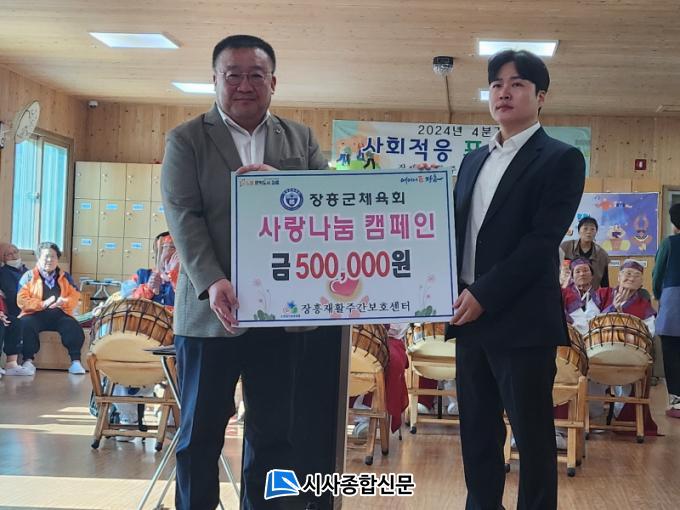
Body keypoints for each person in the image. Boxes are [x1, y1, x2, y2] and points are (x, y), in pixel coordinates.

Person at [161, 34, 338, 510]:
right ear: (215, 79)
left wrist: (280, 185)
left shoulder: (299, 138)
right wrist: (214, 281)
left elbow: (326, 206)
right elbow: (184, 218)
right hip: (209, 314)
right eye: (233, 75)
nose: (244, 85)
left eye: (256, 75)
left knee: (275, 434)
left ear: (273, 82)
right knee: (199, 436)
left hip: (280, 315)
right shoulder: (186, 139)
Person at [448, 50, 585, 510]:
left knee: (533, 437)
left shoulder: (561, 159)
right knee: (477, 433)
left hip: (522, 319)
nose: (504, 92)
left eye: (518, 84)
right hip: (468, 317)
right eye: (497, 84)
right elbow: (457, 232)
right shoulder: (473, 161)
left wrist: (484, 293)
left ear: (540, 96)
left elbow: (541, 241)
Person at [17, 242, 86, 375]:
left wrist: (64, 301)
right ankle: (27, 361)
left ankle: (76, 362)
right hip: (34, 314)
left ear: (57, 259)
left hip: (59, 314)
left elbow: (75, 296)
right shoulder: (28, 276)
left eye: (53, 256)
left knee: (72, 325)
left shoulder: (65, 277)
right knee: (25, 324)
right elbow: (21, 300)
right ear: (38, 258)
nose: (49, 260)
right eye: (46, 256)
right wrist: (42, 304)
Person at [653, 203, 680, 418]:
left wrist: (658, 295)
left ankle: (677, 401)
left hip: (673, 302)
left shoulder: (669, 243)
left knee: (672, 352)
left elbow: (658, 274)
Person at [0, 243, 32, 375]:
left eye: (15, 252)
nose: (14, 256)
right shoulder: (3, 273)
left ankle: (14, 363)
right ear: (3, 258)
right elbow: (12, 295)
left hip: (28, 308)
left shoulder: (27, 272)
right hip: (14, 309)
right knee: (9, 322)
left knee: (17, 322)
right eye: (9, 254)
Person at [561, 216, 611, 289]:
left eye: (592, 229)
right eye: (585, 228)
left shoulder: (602, 254)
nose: (588, 232)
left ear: (596, 232)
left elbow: (605, 282)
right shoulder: (565, 247)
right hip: (567, 292)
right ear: (579, 231)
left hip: (591, 293)